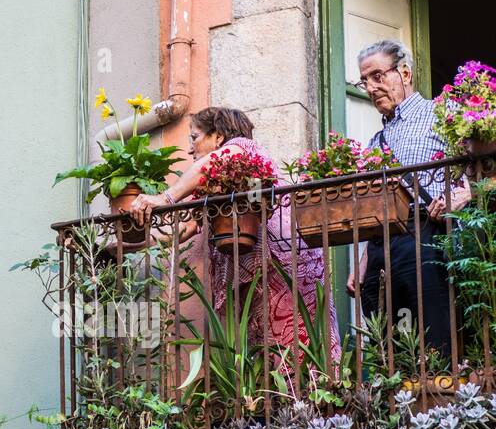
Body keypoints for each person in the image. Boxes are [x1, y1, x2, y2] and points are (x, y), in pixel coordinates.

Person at [125, 106, 342, 373]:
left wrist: (165, 198)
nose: (190, 150)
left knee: (304, 348)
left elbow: (212, 163)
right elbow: (182, 231)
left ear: (218, 137)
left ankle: (315, 405)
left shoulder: (244, 149)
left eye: (194, 137)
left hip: (287, 274)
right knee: (273, 359)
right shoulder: (213, 189)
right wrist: (125, 246)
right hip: (262, 285)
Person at [346, 39, 469, 361]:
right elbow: (374, 206)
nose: (371, 88)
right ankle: (394, 400)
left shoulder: (442, 114)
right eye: (364, 81)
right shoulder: (375, 141)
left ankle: (443, 395)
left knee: (434, 325)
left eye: (377, 76)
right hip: (381, 246)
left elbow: (485, 167)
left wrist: (462, 194)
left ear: (404, 72)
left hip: (427, 233)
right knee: (383, 332)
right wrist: (361, 264)